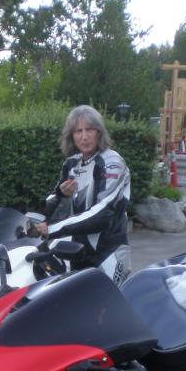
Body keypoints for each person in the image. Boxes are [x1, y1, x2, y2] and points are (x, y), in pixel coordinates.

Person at [36, 105, 131, 283]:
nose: (84, 136)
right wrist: (61, 194)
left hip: (108, 252)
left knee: (107, 307)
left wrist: (52, 229)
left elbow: (103, 214)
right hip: (75, 250)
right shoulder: (71, 163)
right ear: (71, 135)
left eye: (90, 130)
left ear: (99, 132)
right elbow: (50, 207)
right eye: (78, 131)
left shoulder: (112, 162)